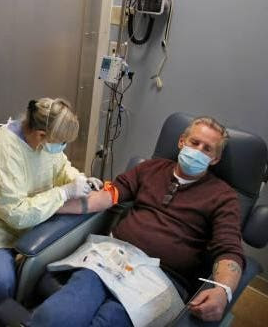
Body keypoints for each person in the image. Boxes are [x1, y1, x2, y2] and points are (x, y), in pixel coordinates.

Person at [30, 116, 245, 326]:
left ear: (215, 159)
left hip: (160, 279)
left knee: (109, 319)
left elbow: (229, 250)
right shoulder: (150, 168)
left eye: (207, 149)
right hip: (113, 257)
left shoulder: (223, 196)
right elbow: (107, 196)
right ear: (182, 142)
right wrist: (50, 206)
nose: (198, 151)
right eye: (194, 142)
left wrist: (222, 290)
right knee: (58, 313)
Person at [0, 98, 110, 327]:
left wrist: (78, 179)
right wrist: (64, 194)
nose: (62, 147)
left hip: (28, 216)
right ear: (41, 135)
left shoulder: (46, 141)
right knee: (0, 279)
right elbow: (14, 213)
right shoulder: (5, 149)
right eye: (61, 143)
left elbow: (61, 166)